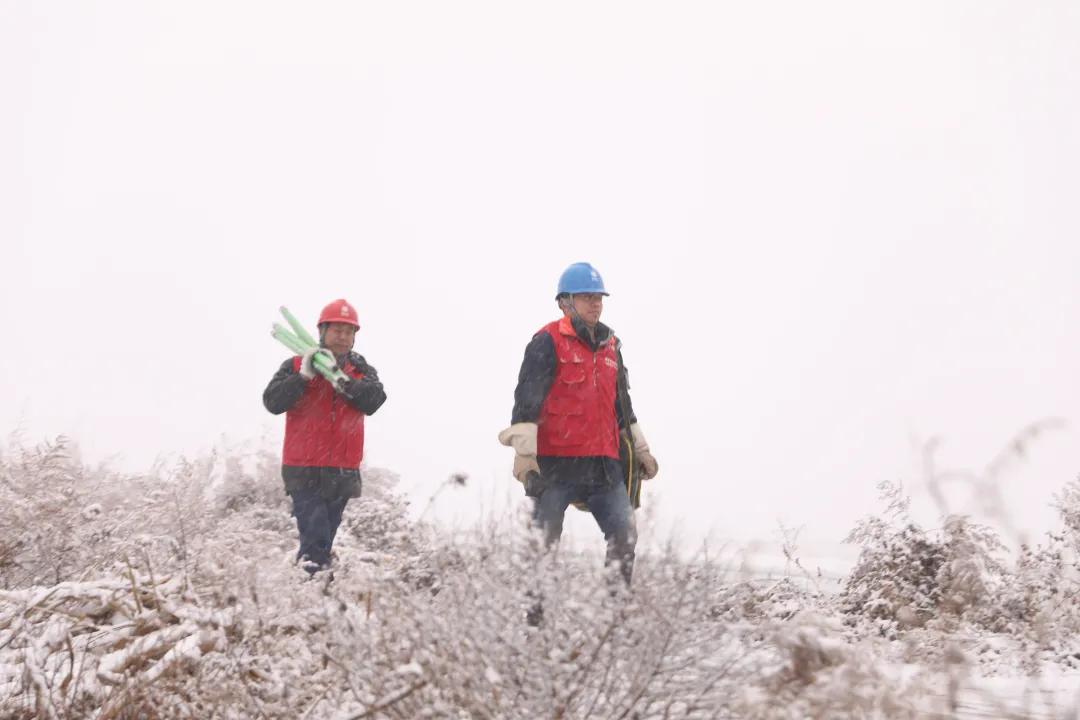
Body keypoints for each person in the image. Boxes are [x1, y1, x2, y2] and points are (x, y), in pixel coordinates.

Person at [499, 262, 659, 587]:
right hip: (556, 468)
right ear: (565, 302)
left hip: (604, 468)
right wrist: (525, 461)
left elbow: (622, 407)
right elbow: (527, 402)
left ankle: (611, 618)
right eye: (587, 297)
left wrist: (641, 449)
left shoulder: (612, 346)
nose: (595, 303)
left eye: (599, 297)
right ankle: (535, 623)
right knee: (542, 545)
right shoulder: (547, 341)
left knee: (625, 535)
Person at [263, 298, 387, 576]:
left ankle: (308, 589)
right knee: (316, 534)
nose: (342, 336)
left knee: (323, 538)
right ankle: (314, 592)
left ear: (355, 337)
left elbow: (374, 400)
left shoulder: (361, 369)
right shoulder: (296, 364)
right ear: (322, 331)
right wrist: (304, 377)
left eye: (348, 331)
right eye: (336, 330)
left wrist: (343, 381)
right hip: (303, 466)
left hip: (343, 468)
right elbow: (272, 402)